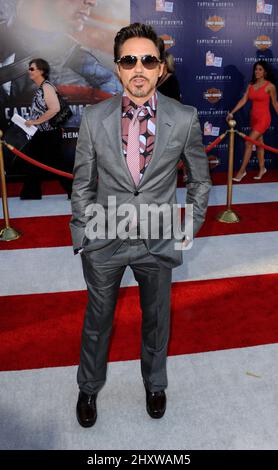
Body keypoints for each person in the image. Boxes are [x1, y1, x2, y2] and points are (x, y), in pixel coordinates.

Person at [70, 22, 211, 427]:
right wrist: (82, 233)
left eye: (148, 59)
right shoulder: (94, 117)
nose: (138, 68)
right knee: (97, 321)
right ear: (117, 68)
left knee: (156, 320)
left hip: (157, 238)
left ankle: (155, 383)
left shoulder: (184, 118)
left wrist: (192, 222)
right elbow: (83, 182)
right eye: (129, 59)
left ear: (160, 69)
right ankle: (89, 387)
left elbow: (200, 179)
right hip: (103, 239)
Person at [21, 58, 72, 199]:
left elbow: (54, 109)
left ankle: (75, 192)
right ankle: (30, 193)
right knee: (33, 162)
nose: (29, 71)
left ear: (41, 71)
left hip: (49, 134)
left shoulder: (47, 87)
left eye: (32, 69)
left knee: (58, 165)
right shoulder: (42, 87)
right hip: (42, 133)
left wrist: (35, 121)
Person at [226, 60, 278, 181]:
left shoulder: (270, 86)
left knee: (248, 143)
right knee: (259, 144)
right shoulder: (251, 85)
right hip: (253, 119)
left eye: (260, 69)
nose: (257, 72)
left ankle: (242, 171)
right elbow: (243, 101)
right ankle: (262, 168)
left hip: (264, 119)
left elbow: (275, 104)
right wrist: (232, 112)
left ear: (265, 72)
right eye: (256, 69)